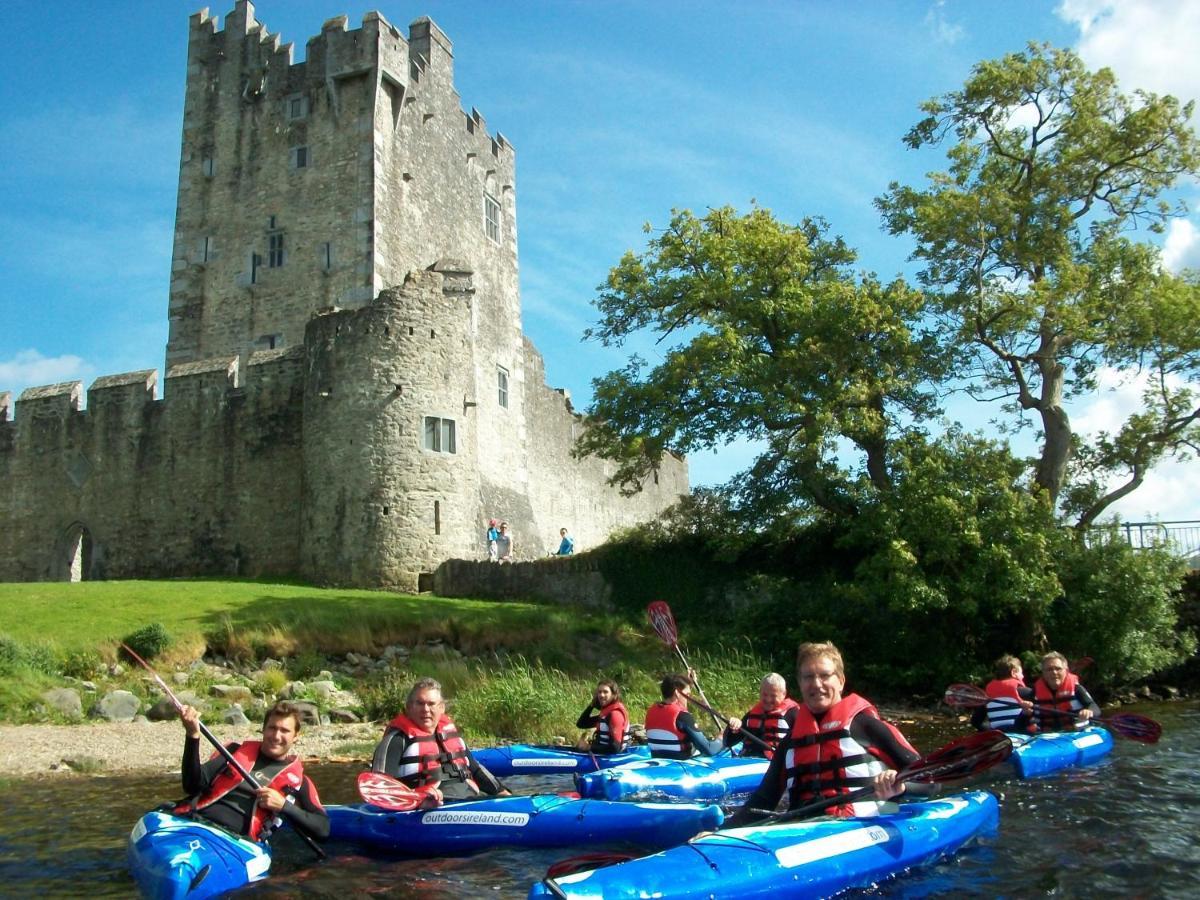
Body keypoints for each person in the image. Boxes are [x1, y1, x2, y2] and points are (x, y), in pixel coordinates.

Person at [727, 641, 922, 825]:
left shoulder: (868, 727)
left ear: (841, 681)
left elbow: (930, 783)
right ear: (800, 683)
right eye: (808, 677)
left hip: (861, 826)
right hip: (803, 829)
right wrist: (719, 833)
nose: (816, 684)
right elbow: (763, 799)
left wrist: (902, 788)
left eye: (825, 675)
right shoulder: (791, 742)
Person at [174, 701, 329, 843]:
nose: (276, 736)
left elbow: (323, 830)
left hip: (238, 844)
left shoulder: (301, 783)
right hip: (195, 824)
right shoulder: (233, 752)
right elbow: (191, 786)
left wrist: (283, 806)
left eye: (284, 731)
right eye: (272, 728)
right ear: (263, 729)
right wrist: (192, 736)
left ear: (295, 737)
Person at [371, 677, 508, 808]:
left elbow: (475, 769)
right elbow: (378, 788)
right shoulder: (396, 740)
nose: (425, 709)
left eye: (431, 704)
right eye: (419, 703)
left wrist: (501, 791)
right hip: (428, 809)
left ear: (441, 708)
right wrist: (418, 802)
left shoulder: (451, 735)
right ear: (409, 707)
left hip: (469, 800)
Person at [644, 672, 724, 759]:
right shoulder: (682, 717)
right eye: (688, 694)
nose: (688, 698)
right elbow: (709, 750)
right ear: (677, 693)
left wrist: (689, 682)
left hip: (658, 761)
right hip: (681, 764)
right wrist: (721, 738)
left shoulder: (651, 711)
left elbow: (674, 718)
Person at [722, 672, 800, 758]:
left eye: (773, 696)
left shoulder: (792, 714)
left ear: (784, 694)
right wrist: (732, 728)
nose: (768, 699)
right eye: (765, 694)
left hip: (774, 764)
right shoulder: (752, 714)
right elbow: (728, 742)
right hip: (747, 760)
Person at [1032, 651, 1101, 732]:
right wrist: (1026, 712)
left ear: (1066, 670)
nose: (1054, 672)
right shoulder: (1034, 692)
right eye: (1049, 669)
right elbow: (1023, 720)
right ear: (1043, 672)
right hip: (1045, 736)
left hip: (1075, 733)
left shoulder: (1076, 688)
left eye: (1058, 669)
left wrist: (1089, 711)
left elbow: (1094, 707)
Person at [970, 653, 1034, 733]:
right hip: (1020, 735)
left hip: (999, 737)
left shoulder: (987, 695)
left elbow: (975, 721)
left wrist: (991, 730)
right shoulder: (1026, 692)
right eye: (1021, 673)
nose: (1023, 676)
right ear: (1014, 672)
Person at [575, 679, 629, 754]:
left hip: (608, 759)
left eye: (605, 692)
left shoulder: (615, 714)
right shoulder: (606, 714)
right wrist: (592, 705)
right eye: (599, 692)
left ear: (614, 695)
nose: (601, 695)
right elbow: (581, 724)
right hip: (600, 754)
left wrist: (588, 747)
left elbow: (615, 747)